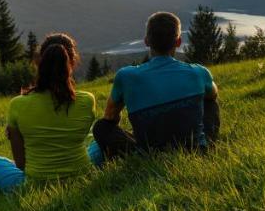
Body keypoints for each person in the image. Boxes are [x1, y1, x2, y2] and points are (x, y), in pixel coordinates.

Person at [91, 11, 220, 161]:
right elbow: (213, 95)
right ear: (178, 42)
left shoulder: (125, 76)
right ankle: (206, 143)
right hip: (196, 151)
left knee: (101, 127)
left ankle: (138, 155)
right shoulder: (199, 72)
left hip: (149, 156)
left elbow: (110, 117)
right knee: (210, 101)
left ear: (146, 41)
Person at [0, 33, 95, 191]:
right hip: (82, 175)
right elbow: (81, 138)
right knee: (96, 142)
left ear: (39, 62)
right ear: (72, 62)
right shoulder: (87, 100)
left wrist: (19, 137)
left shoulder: (18, 105)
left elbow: (21, 166)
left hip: (38, 184)